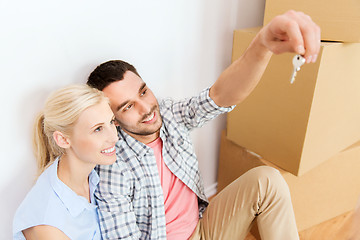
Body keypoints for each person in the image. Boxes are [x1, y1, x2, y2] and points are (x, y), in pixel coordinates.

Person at [87, 10, 321, 240]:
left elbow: (220, 96)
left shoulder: (168, 115)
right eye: (128, 107)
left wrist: (263, 44)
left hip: (204, 225)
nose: (146, 108)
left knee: (267, 180)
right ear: (113, 120)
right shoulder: (113, 167)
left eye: (144, 92)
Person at [13, 84, 119, 240]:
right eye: (98, 129)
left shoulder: (97, 176)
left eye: (111, 122)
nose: (114, 137)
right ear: (63, 139)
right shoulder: (47, 224)